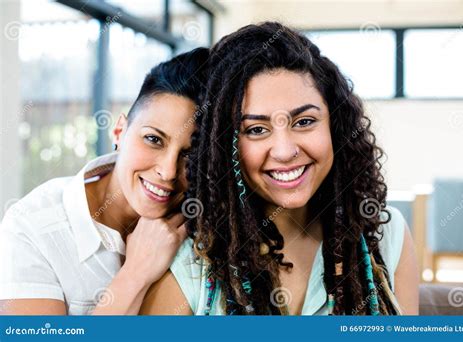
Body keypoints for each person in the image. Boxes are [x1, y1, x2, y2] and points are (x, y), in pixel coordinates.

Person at [140, 23, 419, 315]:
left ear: (335, 128)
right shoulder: (189, 257)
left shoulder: (387, 235)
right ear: (224, 145)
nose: (286, 151)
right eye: (257, 129)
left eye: (304, 122)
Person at [0, 47, 209, 315]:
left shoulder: (203, 226)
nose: (168, 171)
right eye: (154, 139)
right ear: (120, 131)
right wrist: (136, 273)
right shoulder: (31, 228)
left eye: (189, 155)